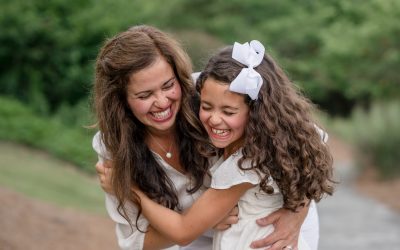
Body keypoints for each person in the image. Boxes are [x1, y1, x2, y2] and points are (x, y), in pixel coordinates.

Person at [92, 25, 320, 250]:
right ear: (121, 101)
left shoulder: (213, 89)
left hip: (273, 228)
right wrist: (204, 224)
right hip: (209, 239)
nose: (162, 102)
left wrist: (296, 212)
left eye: (168, 85)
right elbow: (136, 242)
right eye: (145, 95)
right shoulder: (115, 147)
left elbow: (300, 138)